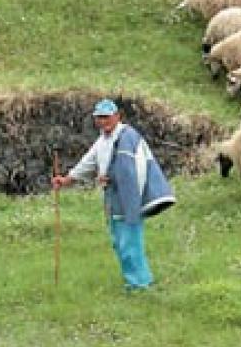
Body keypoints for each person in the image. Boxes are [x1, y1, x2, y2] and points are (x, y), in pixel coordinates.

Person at [52, 99, 175, 291]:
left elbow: (131, 171)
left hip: (128, 197)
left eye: (106, 117)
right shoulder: (103, 140)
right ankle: (136, 280)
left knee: (129, 242)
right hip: (113, 198)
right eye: (99, 117)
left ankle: (139, 284)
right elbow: (89, 162)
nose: (103, 121)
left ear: (117, 116)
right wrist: (67, 179)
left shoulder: (128, 137)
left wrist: (111, 178)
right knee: (120, 242)